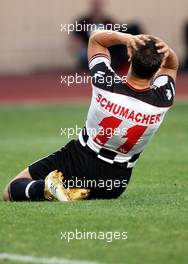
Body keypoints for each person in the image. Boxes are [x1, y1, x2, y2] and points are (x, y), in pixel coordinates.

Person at [3, 30, 179, 202]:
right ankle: (69, 191)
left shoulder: (105, 82)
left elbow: (96, 40)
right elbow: (171, 65)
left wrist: (129, 38)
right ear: (157, 67)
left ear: (130, 57)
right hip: (115, 183)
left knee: (12, 188)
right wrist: (166, 51)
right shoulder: (162, 100)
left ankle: (44, 189)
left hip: (80, 159)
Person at [71, 0, 143, 70]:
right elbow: (75, 41)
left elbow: (117, 38)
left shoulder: (109, 22)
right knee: (83, 54)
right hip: (88, 51)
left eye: (99, 4)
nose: (97, 7)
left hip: (106, 51)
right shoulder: (83, 22)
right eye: (95, 4)